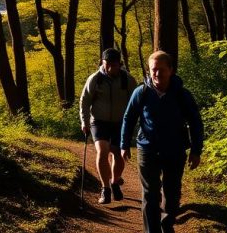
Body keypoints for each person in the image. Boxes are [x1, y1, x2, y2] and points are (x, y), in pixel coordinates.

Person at [121, 51, 204, 233]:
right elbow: (129, 118)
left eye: (161, 70)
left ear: (171, 70)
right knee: (150, 194)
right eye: (153, 70)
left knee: (172, 193)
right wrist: (124, 144)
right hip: (147, 149)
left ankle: (167, 224)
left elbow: (196, 122)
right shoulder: (140, 92)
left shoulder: (182, 95)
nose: (157, 74)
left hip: (175, 150)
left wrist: (196, 150)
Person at [79, 47, 138, 204]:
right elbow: (85, 101)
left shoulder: (128, 80)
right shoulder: (94, 79)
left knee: (118, 154)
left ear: (120, 63)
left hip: (121, 123)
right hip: (99, 121)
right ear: (103, 63)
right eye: (108, 63)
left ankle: (115, 181)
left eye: (115, 63)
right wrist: (84, 122)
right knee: (102, 151)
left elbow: (137, 102)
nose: (111, 67)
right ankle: (105, 189)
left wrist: (137, 121)